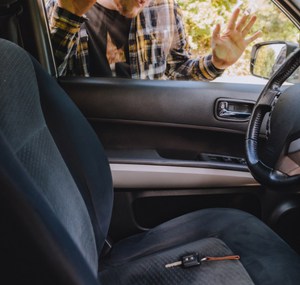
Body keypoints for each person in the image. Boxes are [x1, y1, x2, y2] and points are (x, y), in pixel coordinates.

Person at [46, 0, 262, 80]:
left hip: (147, 130)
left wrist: (216, 64)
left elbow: (178, 70)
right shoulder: (59, 8)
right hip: (82, 136)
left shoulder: (165, 7)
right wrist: (69, 16)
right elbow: (45, 78)